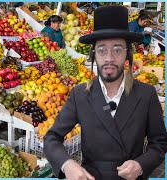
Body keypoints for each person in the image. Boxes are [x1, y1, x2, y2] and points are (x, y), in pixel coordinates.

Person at [44, 5, 167, 180]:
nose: (109, 58)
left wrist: (141, 165)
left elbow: (159, 143)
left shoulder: (146, 94)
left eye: (117, 49)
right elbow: (52, 137)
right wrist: (67, 164)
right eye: (102, 50)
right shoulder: (79, 95)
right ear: (94, 55)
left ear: (127, 54)